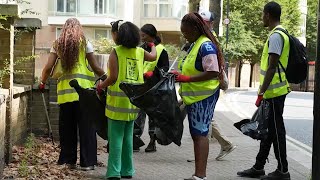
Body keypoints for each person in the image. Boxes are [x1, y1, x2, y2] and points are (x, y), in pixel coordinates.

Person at [39, 18, 105, 170]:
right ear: (79, 28)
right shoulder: (85, 43)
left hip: (66, 95)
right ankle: (87, 163)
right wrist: (108, 79)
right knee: (87, 129)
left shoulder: (58, 44)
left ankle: (68, 161)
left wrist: (42, 82)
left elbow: (48, 67)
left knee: (67, 129)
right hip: (84, 95)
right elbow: (95, 67)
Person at [237, 2, 291, 179]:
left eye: (262, 14)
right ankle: (259, 167)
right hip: (272, 93)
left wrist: (261, 92)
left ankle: (283, 171)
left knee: (277, 132)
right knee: (269, 130)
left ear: (268, 15)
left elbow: (272, 67)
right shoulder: (278, 34)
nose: (262, 17)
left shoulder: (276, 36)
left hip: (274, 93)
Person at [97, 20, 157, 180]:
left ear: (120, 35)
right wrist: (152, 44)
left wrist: (101, 86)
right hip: (133, 102)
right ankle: (128, 170)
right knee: (128, 137)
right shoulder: (139, 52)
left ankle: (114, 172)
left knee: (115, 138)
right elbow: (153, 57)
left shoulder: (116, 51)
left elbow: (113, 77)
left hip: (117, 103)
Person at [173, 12, 224, 180]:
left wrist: (187, 78)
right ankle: (198, 174)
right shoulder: (196, 44)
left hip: (204, 97)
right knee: (197, 134)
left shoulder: (205, 46)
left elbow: (213, 72)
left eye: (186, 32)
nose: (184, 35)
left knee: (200, 134)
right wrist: (180, 74)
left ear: (195, 29)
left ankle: (200, 176)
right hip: (195, 97)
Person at [199, 10, 236, 161]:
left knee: (205, 118)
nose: (201, 24)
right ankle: (225, 144)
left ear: (211, 23)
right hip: (201, 86)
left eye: (204, 22)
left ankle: (202, 154)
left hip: (208, 85)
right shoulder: (203, 38)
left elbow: (214, 66)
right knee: (206, 118)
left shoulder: (209, 40)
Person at [133, 23, 170, 153]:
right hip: (141, 86)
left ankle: (152, 141)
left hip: (154, 88)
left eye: (143, 35)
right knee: (138, 114)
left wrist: (153, 74)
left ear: (150, 35)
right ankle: (135, 140)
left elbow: (165, 69)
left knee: (153, 116)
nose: (141, 37)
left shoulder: (161, 50)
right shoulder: (141, 48)